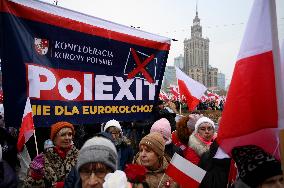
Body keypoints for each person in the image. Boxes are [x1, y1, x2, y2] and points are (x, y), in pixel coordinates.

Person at [24, 121, 78, 188]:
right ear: (54, 139)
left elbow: (88, 182)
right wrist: (35, 176)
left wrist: (66, 185)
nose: (67, 138)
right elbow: (28, 186)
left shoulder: (80, 156)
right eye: (63, 135)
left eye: (70, 134)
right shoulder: (43, 158)